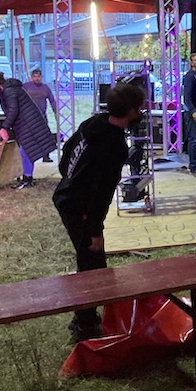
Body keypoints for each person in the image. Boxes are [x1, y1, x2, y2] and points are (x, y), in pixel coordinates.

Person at [52, 83, 145, 341]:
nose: (141, 112)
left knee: (92, 263)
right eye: (138, 108)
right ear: (130, 111)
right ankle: (84, 325)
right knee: (92, 263)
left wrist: (70, 178)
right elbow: (101, 192)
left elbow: (66, 157)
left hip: (68, 195)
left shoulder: (93, 123)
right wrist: (94, 230)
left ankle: (87, 318)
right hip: (78, 206)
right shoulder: (114, 146)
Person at [0, 72, 56, 189]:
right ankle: (27, 177)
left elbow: (13, 110)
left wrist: (5, 127)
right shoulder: (6, 91)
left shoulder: (9, 91)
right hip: (25, 123)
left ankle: (27, 178)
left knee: (26, 151)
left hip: (28, 123)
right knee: (26, 151)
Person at [22, 68, 57, 160]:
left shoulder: (45, 88)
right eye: (35, 76)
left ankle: (46, 156)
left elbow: (52, 100)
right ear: (31, 77)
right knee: (29, 136)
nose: (36, 78)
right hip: (29, 116)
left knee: (44, 136)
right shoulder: (26, 87)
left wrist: (55, 111)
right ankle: (28, 157)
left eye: (38, 76)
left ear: (41, 77)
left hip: (42, 115)